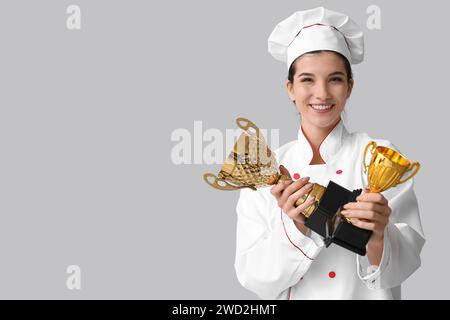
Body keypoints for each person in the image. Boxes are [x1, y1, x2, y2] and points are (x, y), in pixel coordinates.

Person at [234, 7, 425, 300]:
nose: (321, 93)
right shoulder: (266, 173)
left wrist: (379, 234)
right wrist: (294, 226)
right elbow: (255, 279)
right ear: (290, 89)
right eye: (307, 80)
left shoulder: (379, 157)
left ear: (349, 87)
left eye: (335, 79)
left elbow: (408, 261)